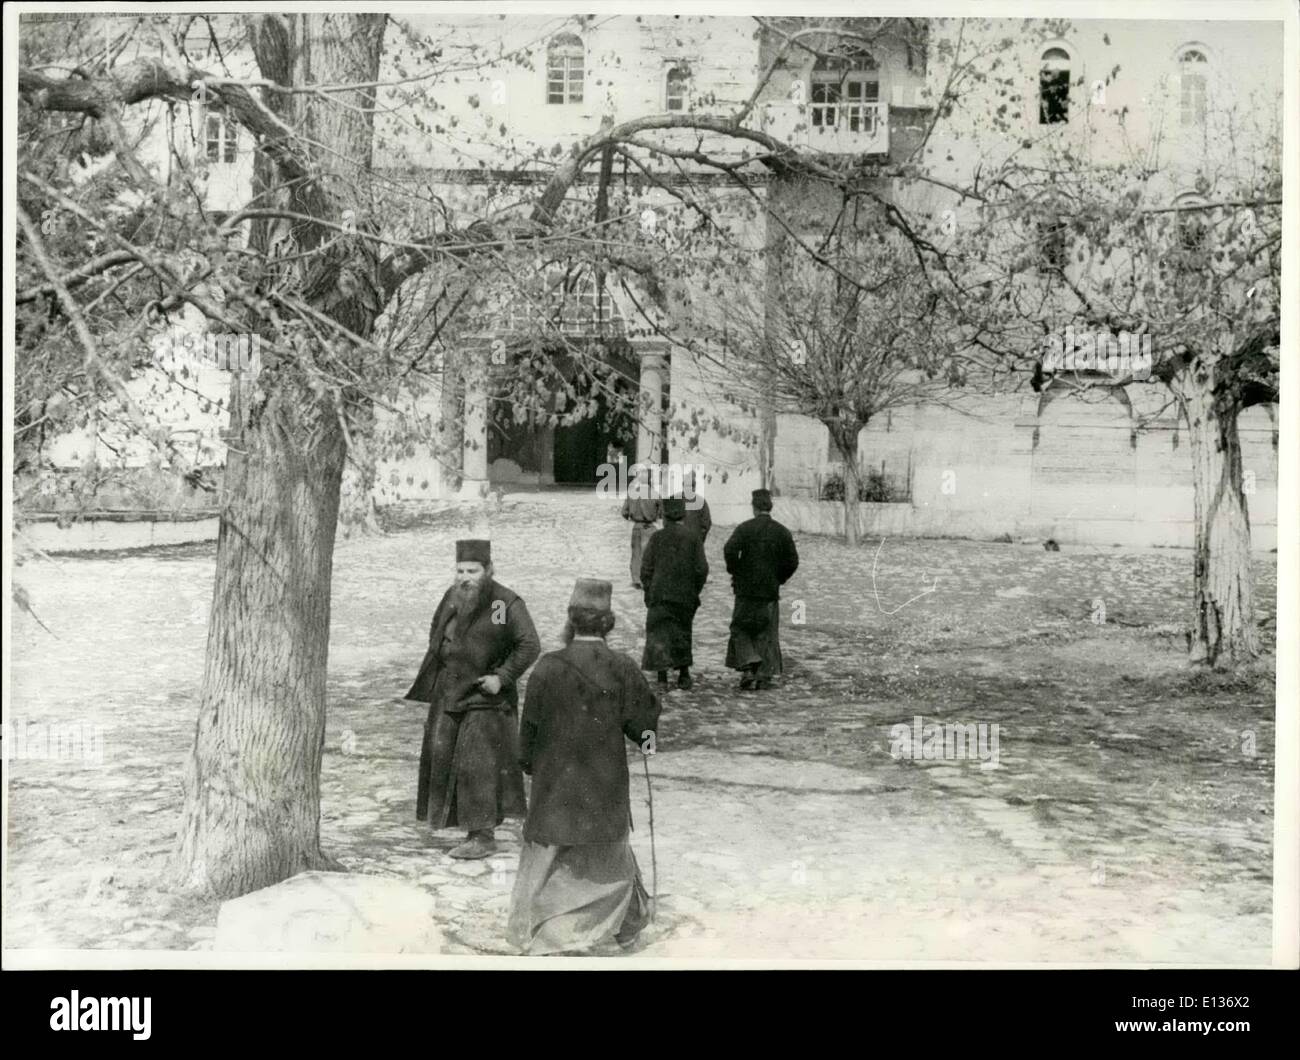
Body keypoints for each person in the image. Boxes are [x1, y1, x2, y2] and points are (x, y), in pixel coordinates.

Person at [508, 578, 661, 955]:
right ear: (608, 623)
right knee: (609, 857)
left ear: (570, 621)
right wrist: (648, 737)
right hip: (603, 787)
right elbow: (643, 729)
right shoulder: (621, 667)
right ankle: (623, 923)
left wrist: (528, 763)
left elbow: (528, 728)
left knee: (548, 858)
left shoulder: (547, 668)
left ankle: (545, 928)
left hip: (553, 787)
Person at [404, 539, 540, 859]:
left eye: (473, 570)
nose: (465, 576)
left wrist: (501, 677)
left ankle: (482, 835)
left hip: (483, 696)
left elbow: (528, 644)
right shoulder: (452, 596)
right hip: (450, 691)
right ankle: (459, 824)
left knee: (478, 764)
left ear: (488, 570)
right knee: (446, 757)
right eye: (460, 570)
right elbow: (436, 630)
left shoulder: (499, 603)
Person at [723, 488, 800, 691]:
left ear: (754, 507)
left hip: (745, 590)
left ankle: (748, 666)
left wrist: (736, 571)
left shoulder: (744, 528)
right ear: (770, 506)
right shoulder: (782, 531)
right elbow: (792, 561)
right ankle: (762, 673)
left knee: (740, 628)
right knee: (766, 631)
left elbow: (729, 550)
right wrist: (779, 578)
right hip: (769, 590)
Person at [640, 495, 708, 692]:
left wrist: (649, 591)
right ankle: (684, 675)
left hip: (660, 595)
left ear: (665, 515)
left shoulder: (657, 538)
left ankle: (661, 677)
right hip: (685, 596)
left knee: (659, 633)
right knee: (682, 632)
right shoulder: (693, 538)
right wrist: (695, 590)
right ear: (683, 515)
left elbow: (646, 569)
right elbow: (701, 569)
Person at [620, 465, 661, 589]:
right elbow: (661, 512)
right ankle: (647, 579)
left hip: (636, 526)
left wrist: (632, 517)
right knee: (649, 554)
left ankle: (636, 579)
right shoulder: (655, 494)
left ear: (638, 479)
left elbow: (624, 512)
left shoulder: (632, 494)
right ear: (649, 480)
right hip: (650, 527)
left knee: (636, 553)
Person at [680, 469, 712, 544]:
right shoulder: (702, 502)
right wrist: (700, 539)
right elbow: (707, 523)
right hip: (695, 541)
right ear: (694, 487)